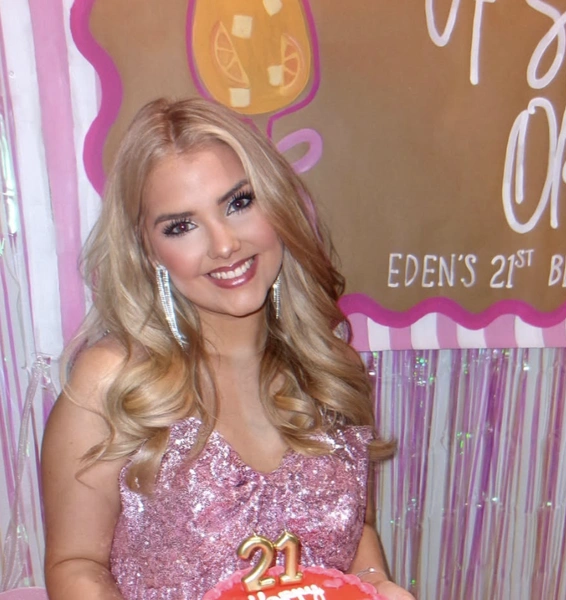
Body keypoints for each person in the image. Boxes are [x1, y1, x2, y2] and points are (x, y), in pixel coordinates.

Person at [42, 97, 415, 600]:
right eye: (181, 226)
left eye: (239, 203)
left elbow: (357, 533)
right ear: (148, 250)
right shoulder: (113, 380)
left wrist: (376, 586)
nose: (224, 245)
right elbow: (76, 563)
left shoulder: (332, 370)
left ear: (276, 205)